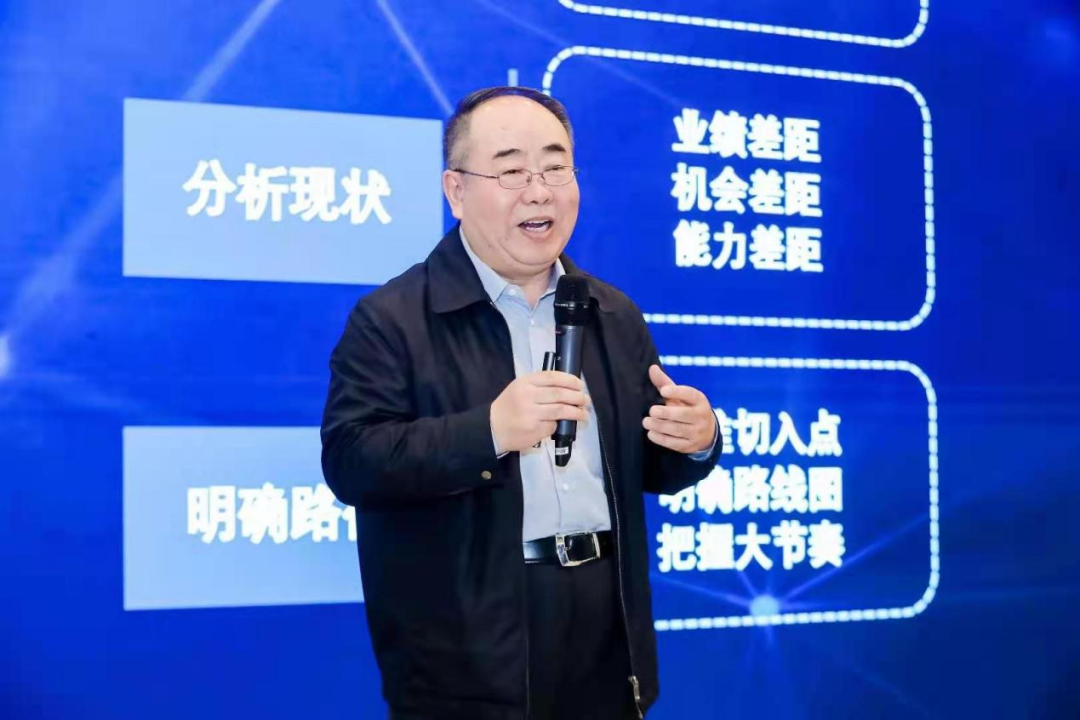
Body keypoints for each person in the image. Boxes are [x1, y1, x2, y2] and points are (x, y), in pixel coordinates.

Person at [321, 86, 722, 720]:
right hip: (468, 648)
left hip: (604, 628)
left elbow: (649, 466)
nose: (539, 192)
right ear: (456, 191)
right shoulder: (392, 319)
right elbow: (352, 461)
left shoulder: (611, 313)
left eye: (555, 167)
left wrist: (695, 441)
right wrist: (489, 431)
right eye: (511, 172)